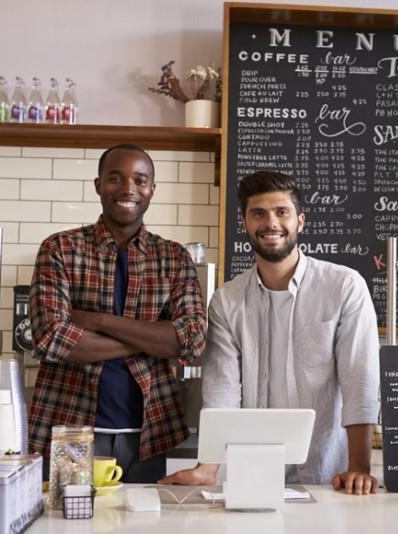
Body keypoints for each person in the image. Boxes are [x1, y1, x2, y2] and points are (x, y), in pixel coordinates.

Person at [161, 171, 380, 494]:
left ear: (300, 222)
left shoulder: (344, 287)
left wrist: (359, 468)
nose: (271, 223)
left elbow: (358, 381)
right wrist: (207, 467)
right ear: (245, 224)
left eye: (282, 212)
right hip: (251, 476)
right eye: (258, 213)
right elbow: (222, 392)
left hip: (329, 478)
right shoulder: (227, 301)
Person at [28, 143, 206, 483]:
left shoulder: (173, 257)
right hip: (72, 431)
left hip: (149, 434)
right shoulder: (60, 248)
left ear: (152, 189)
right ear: (98, 185)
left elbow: (192, 339)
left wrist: (97, 321)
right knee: (71, 525)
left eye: (140, 180)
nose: (128, 189)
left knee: (139, 527)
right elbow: (51, 338)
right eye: (115, 178)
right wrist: (155, 337)